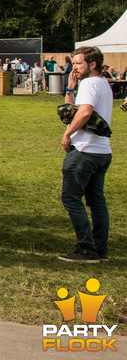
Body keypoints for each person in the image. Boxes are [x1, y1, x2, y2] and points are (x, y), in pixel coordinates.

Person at [58, 46, 113, 263]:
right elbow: (70, 113)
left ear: (93, 64)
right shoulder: (103, 84)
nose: (74, 67)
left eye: (79, 63)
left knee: (71, 198)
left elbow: (85, 112)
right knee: (97, 201)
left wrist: (67, 134)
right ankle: (100, 249)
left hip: (84, 152)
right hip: (102, 152)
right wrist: (70, 89)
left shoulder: (90, 83)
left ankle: (86, 249)